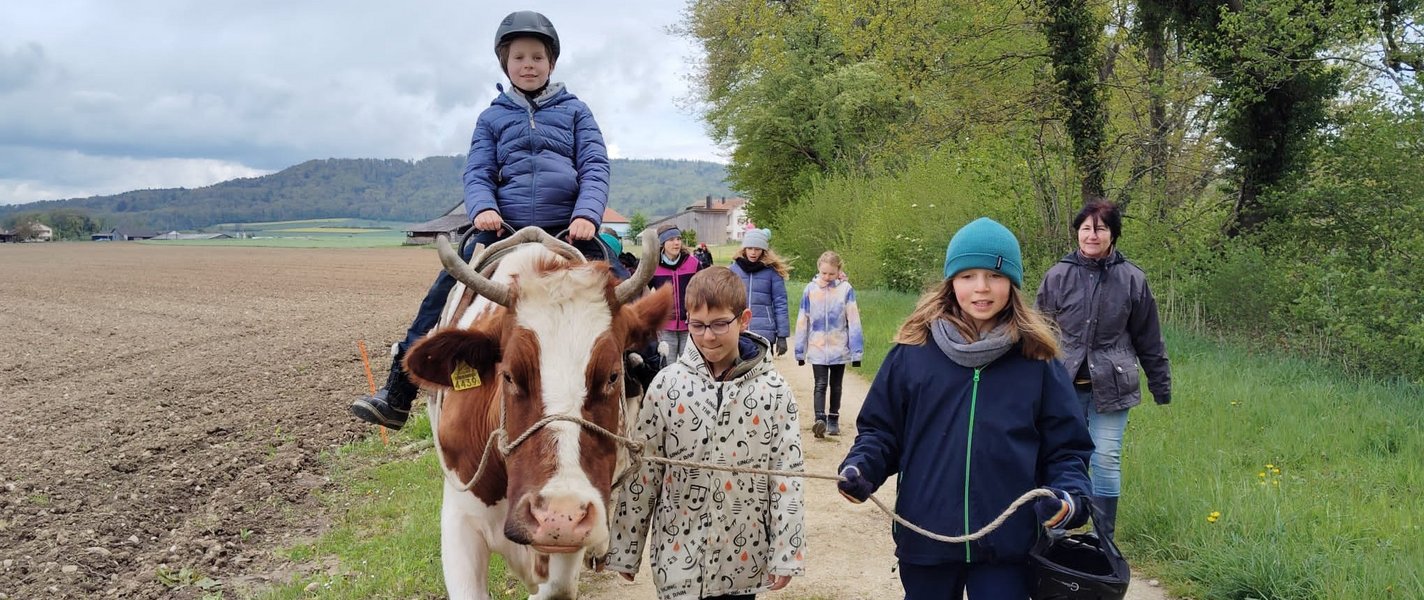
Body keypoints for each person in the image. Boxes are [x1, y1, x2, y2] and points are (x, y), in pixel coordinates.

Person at [351, 10, 617, 430]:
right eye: (519, 58)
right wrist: (483, 209)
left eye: (537, 58)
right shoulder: (491, 117)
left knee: (622, 284)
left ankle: (644, 369)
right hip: (503, 229)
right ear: (504, 64)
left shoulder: (576, 112)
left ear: (551, 63)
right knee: (442, 293)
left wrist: (587, 214)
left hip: (568, 228)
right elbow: (477, 172)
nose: (528, 65)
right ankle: (398, 393)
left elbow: (595, 166)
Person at [836, 217, 1094, 599]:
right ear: (951, 282)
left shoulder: (1038, 361)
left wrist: (1070, 496)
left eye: (994, 275)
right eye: (968, 275)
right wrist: (862, 468)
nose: (982, 288)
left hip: (1007, 547)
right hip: (926, 538)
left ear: (1013, 284)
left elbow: (1066, 449)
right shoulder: (912, 353)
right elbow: (881, 432)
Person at [605, 266, 805, 600]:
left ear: (743, 319)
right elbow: (645, 472)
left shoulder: (774, 391)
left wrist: (786, 552)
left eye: (719, 325)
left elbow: (787, 475)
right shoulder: (667, 387)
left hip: (743, 559)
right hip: (677, 559)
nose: (708, 336)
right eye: (697, 326)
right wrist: (626, 546)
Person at [1035, 201, 1171, 542]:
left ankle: (1102, 539)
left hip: (1112, 386)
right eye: (1085, 228)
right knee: (1061, 456)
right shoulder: (1058, 275)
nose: (1092, 235)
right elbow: (1038, 331)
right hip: (1062, 386)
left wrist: (1161, 384)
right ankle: (1055, 532)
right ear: (1077, 232)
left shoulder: (1133, 279)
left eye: (1100, 228)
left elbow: (1149, 337)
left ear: (1113, 234)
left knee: (1106, 458)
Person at [792, 250, 864, 438]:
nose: (827, 277)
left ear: (838, 271)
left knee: (836, 385)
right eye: (824, 273)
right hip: (817, 347)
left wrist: (857, 352)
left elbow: (854, 320)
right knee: (820, 384)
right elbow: (802, 320)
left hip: (839, 347)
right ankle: (819, 419)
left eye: (831, 274)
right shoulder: (810, 290)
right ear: (819, 269)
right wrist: (800, 351)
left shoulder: (846, 290)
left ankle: (833, 418)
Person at [728, 228, 791, 360]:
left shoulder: (772, 272)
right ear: (744, 249)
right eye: (750, 248)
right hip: (739, 331)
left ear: (763, 250)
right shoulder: (733, 270)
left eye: (757, 248)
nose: (753, 252)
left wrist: (782, 336)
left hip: (764, 333)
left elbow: (780, 303)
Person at [650, 224, 706, 364]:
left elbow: (704, 291)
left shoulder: (693, 264)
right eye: (671, 239)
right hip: (666, 327)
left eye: (678, 239)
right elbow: (643, 292)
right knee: (667, 367)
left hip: (690, 326)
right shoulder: (653, 266)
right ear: (662, 243)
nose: (676, 243)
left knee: (692, 365)